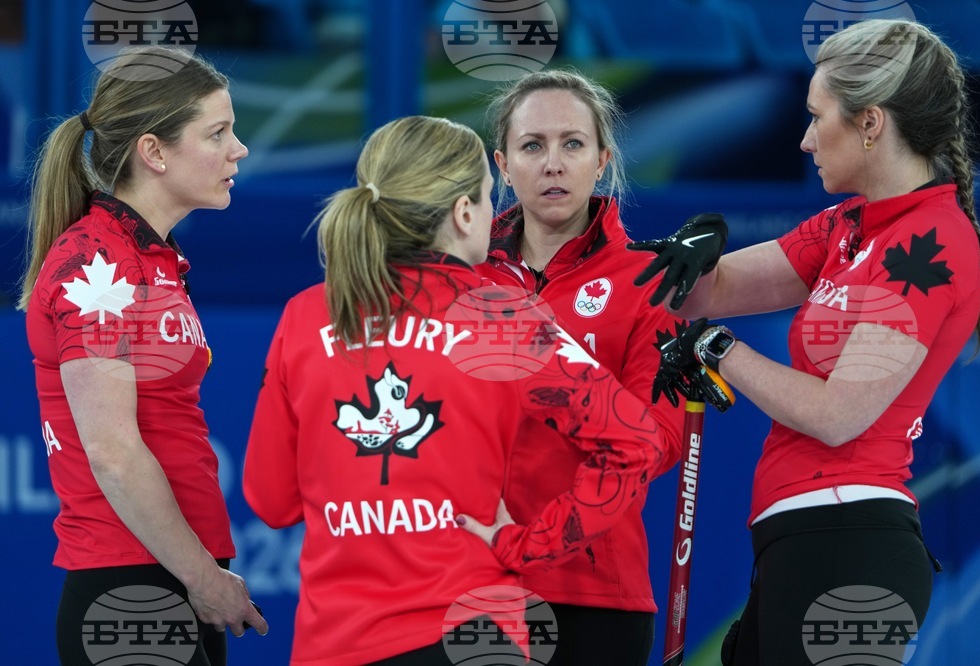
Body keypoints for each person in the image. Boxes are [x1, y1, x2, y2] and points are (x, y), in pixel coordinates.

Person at [241, 115, 674, 666]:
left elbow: (270, 501)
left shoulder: (306, 315)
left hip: (336, 643)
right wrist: (528, 542)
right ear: (465, 213)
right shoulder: (502, 318)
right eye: (491, 198)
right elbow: (638, 443)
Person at [631, 19, 980, 665]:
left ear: (870, 122)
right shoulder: (847, 226)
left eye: (816, 117)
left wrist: (717, 351)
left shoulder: (927, 242)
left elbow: (838, 416)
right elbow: (704, 295)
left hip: (848, 539)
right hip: (802, 537)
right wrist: (685, 257)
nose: (803, 141)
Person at [18, 47, 266, 664]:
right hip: (132, 588)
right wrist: (204, 578)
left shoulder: (149, 257)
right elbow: (113, 452)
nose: (240, 149)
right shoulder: (96, 265)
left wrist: (200, 573)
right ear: (154, 152)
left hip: (170, 575)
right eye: (218, 133)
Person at [476, 68, 686, 665]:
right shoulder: (463, 279)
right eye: (532, 146)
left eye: (572, 144)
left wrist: (558, 388)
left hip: (597, 589)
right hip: (475, 580)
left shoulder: (647, 282)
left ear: (602, 160)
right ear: (502, 163)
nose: (552, 163)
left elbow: (662, 440)